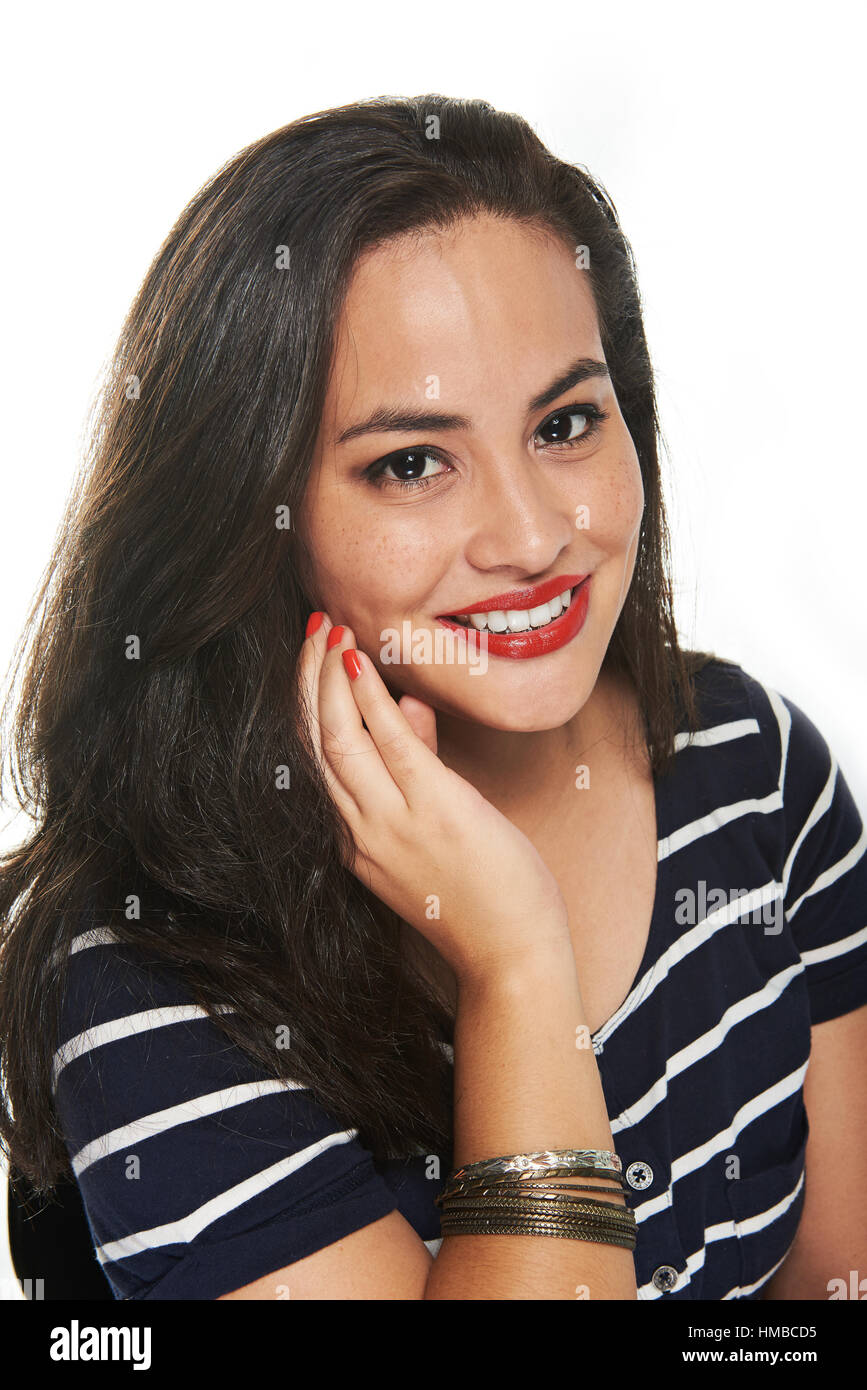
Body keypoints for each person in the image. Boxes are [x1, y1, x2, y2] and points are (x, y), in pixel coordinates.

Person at [1, 95, 865, 1302]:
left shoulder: (756, 770)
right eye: (411, 462)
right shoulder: (149, 977)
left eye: (566, 423)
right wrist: (516, 964)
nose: (530, 535)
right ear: (256, 516)